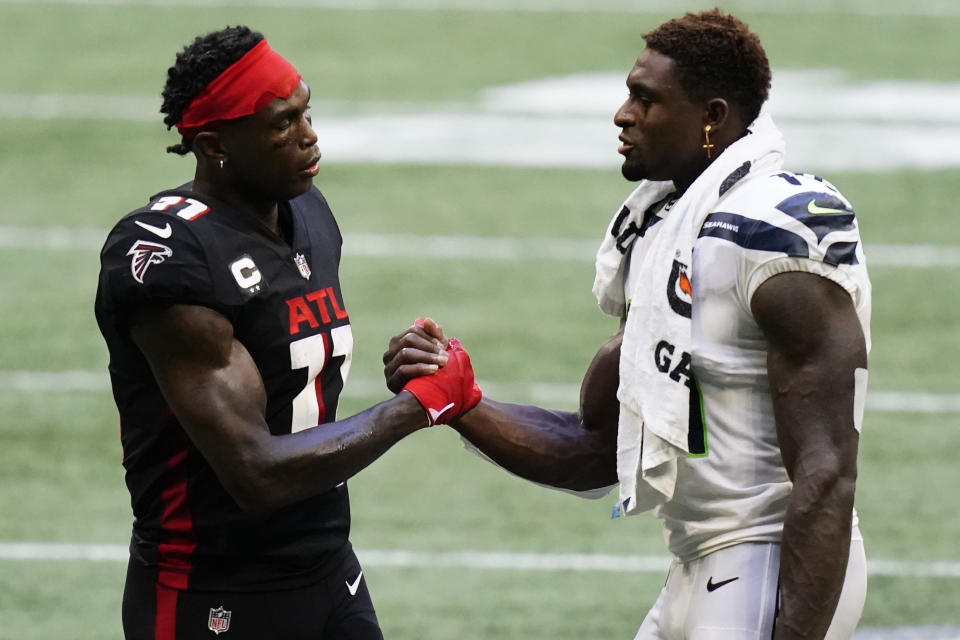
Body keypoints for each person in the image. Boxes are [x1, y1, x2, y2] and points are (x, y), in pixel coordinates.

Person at [384, 10, 870, 640]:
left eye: (646, 99)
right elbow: (596, 451)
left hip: (769, 556)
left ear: (712, 118)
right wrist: (459, 401)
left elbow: (827, 473)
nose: (622, 114)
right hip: (703, 559)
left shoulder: (773, 232)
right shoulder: (669, 224)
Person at [94, 26, 480, 640]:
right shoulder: (171, 252)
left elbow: (295, 371)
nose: (309, 136)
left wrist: (403, 367)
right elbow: (255, 471)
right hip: (214, 588)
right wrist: (414, 409)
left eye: (306, 111)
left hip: (327, 567)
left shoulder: (307, 210)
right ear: (216, 144)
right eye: (282, 124)